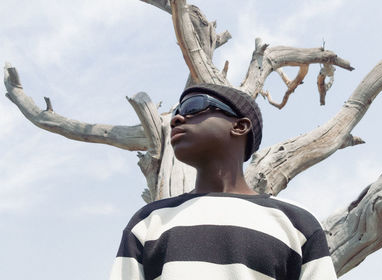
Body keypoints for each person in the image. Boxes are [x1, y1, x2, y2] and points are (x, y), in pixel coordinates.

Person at [109, 84, 337, 280]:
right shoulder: (148, 221)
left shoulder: (296, 223)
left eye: (193, 107)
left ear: (239, 126)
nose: (176, 119)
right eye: (176, 113)